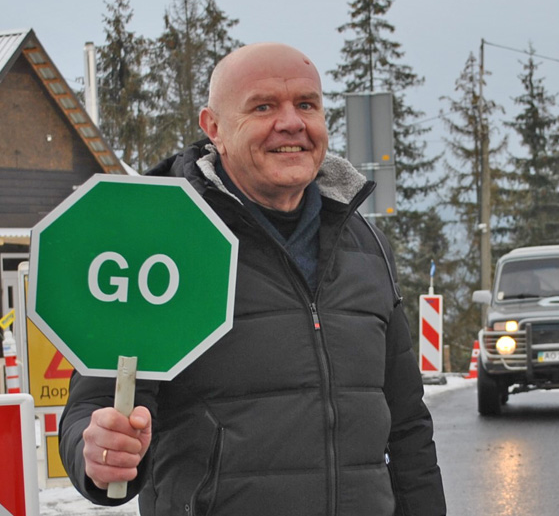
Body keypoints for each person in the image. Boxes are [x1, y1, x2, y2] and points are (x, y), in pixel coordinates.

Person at [59, 42, 446, 516]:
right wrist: (98, 452)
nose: (291, 123)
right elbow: (92, 409)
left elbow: (406, 426)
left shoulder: (365, 243)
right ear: (213, 128)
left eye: (307, 104)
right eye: (263, 107)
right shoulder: (161, 241)